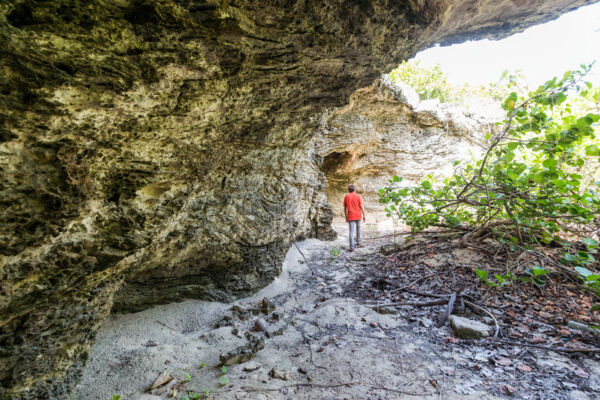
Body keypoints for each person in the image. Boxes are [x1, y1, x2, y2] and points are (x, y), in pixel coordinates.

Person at [343, 184, 365, 251]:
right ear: (355, 190)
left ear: (348, 190)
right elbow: (361, 206)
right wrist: (364, 215)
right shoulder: (358, 196)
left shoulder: (346, 197)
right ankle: (358, 242)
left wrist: (346, 216)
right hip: (358, 215)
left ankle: (351, 246)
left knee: (351, 231)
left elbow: (345, 208)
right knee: (358, 229)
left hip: (350, 216)